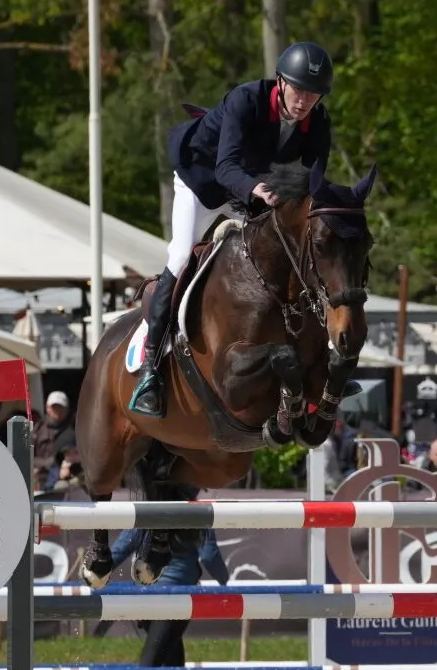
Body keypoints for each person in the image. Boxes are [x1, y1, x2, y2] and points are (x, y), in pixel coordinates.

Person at [129, 41, 336, 418]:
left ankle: (319, 358)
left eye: (314, 94)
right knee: (180, 256)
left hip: (251, 192)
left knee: (293, 254)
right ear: (280, 82)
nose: (305, 100)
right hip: (203, 182)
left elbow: (314, 180)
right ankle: (150, 370)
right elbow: (226, 168)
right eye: (299, 90)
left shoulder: (318, 122)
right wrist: (257, 189)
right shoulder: (245, 101)